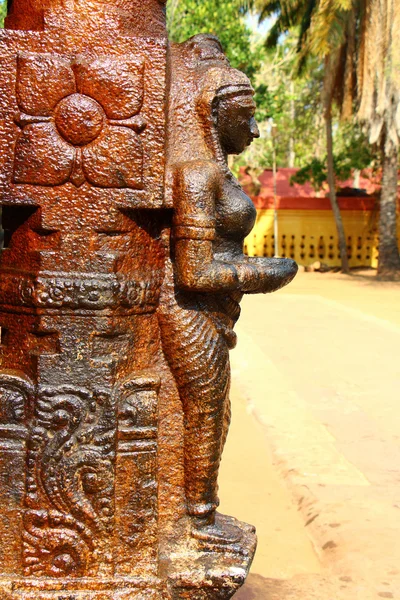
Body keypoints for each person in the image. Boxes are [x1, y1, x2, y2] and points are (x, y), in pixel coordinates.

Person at [157, 34, 298, 550]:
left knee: (217, 411)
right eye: (246, 117)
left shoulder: (221, 175)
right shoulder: (197, 177)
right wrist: (260, 274)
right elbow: (192, 273)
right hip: (189, 307)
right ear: (215, 116)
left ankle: (200, 512)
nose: (256, 130)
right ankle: (197, 519)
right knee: (204, 410)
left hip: (216, 312)